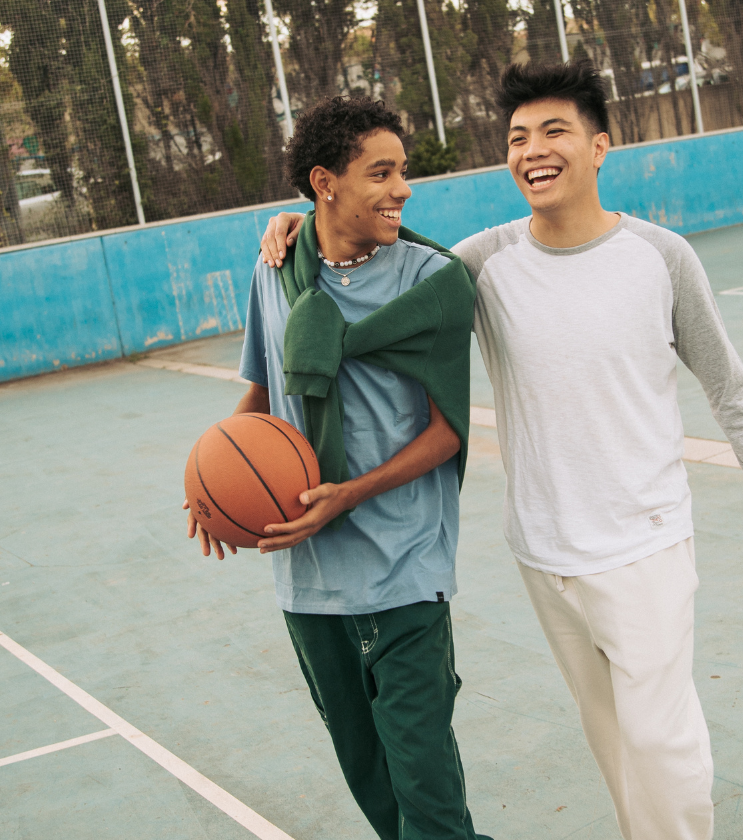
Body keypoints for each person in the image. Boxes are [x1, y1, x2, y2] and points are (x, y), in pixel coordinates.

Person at [260, 63, 743, 840]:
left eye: (554, 132)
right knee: (614, 745)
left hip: (645, 543)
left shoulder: (661, 256)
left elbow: (732, 389)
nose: (533, 150)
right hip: (544, 553)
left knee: (663, 745)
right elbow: (374, 249)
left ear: (600, 146)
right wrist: (294, 231)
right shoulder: (480, 264)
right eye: (518, 137)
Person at [186, 95, 492, 840]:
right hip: (307, 574)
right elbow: (262, 397)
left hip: (406, 565)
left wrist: (349, 493)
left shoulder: (433, 281)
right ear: (325, 183)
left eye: (403, 172)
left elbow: (448, 432)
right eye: (380, 173)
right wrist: (204, 485)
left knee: (426, 790)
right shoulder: (277, 269)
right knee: (374, 786)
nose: (402, 190)